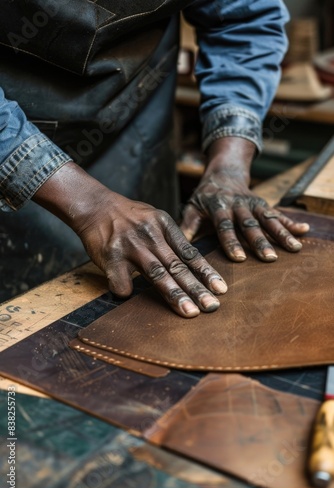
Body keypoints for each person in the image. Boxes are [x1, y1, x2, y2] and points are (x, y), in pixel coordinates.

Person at [0, 0, 309, 317]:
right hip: (9, 157)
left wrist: (228, 165)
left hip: (135, 135)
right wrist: (89, 205)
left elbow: (244, 19)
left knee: (143, 316)